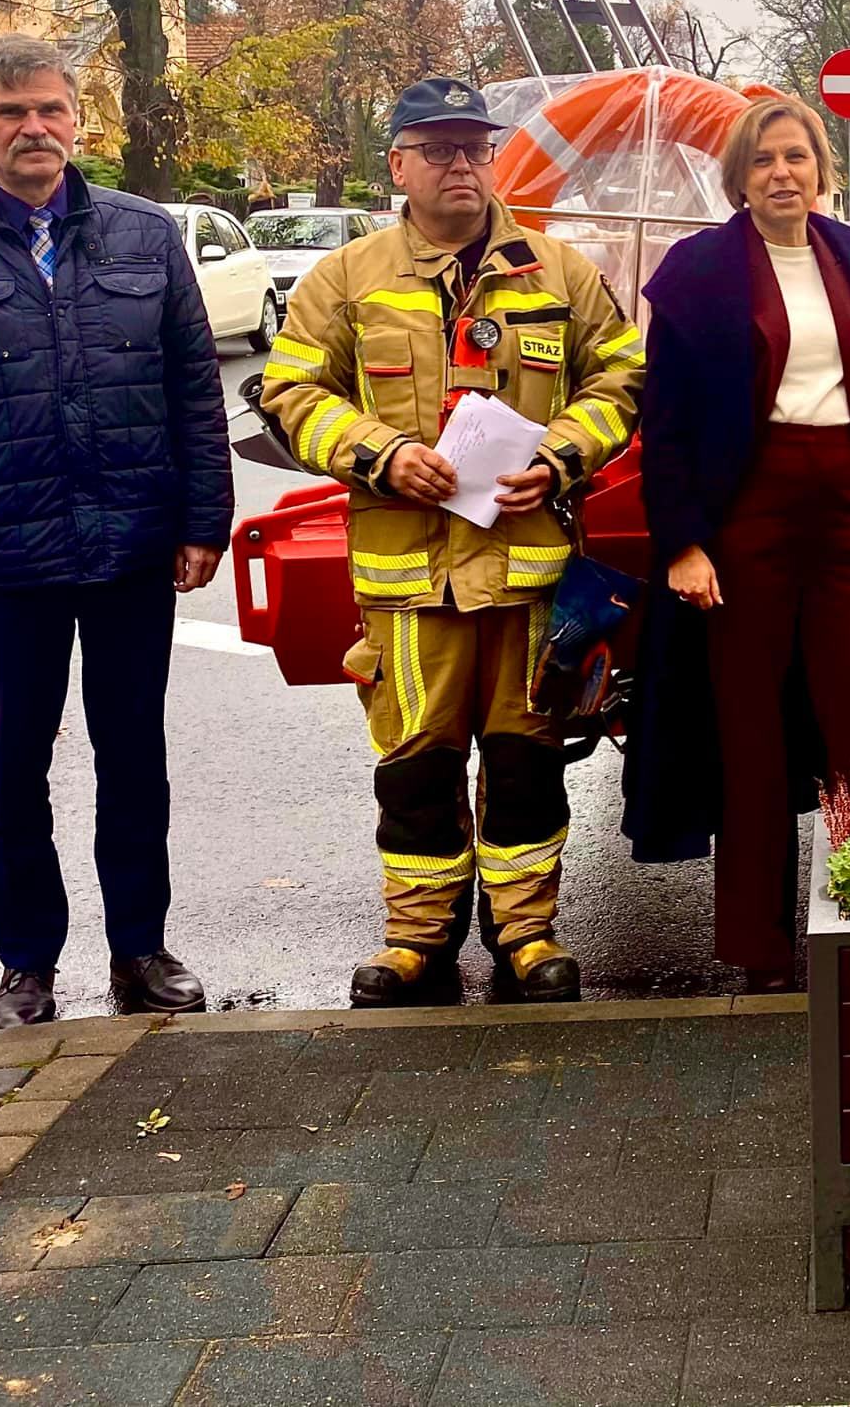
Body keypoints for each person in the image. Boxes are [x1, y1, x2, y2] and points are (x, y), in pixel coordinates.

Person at [261, 76, 643, 1008]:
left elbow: (623, 380)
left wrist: (560, 455)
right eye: (438, 148)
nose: (461, 163)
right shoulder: (347, 278)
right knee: (418, 764)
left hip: (525, 571)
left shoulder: (558, 271)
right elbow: (289, 393)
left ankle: (526, 932)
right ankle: (418, 939)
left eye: (475, 147)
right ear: (397, 164)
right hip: (409, 580)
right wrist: (381, 454)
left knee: (526, 758)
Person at [0, 34, 230, 1028]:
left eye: (50, 109)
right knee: (11, 767)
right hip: (2, 552)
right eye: (12, 111)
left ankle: (139, 951)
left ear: (76, 118)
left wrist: (203, 521)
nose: (35, 129)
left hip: (129, 545)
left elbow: (194, 386)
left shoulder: (145, 237)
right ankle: (27, 964)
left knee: (131, 755)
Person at [623, 95, 850, 993]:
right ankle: (759, 950)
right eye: (762, 162)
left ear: (820, 169)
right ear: (739, 178)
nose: (781, 173)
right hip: (745, 513)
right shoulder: (701, 271)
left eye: (795, 157)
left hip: (849, 506)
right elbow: (667, 423)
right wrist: (682, 541)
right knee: (747, 731)